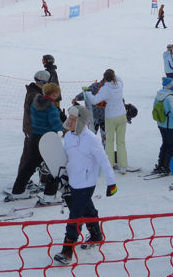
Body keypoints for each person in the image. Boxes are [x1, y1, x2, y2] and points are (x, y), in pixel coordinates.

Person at [52, 105, 117, 265]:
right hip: (74, 181)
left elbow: (104, 160)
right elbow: (68, 158)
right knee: (87, 209)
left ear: (81, 121)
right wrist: (61, 174)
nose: (71, 122)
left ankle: (67, 251)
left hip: (87, 183)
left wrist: (111, 182)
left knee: (75, 216)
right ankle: (96, 235)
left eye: (74, 120)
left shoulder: (91, 139)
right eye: (70, 119)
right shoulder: (68, 137)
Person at [8, 82, 63, 200]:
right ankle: (50, 195)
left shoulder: (36, 103)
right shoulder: (51, 106)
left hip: (35, 137)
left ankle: (17, 191)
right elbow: (56, 125)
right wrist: (64, 126)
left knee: (30, 165)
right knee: (55, 165)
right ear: (54, 93)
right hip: (47, 139)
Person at [13, 71, 51, 190]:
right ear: (42, 82)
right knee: (34, 156)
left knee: (37, 155)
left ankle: (38, 180)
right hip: (35, 130)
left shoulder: (35, 92)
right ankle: (23, 182)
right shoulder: (35, 95)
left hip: (33, 129)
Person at [88, 69, 128, 171]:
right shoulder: (119, 85)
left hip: (111, 117)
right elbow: (120, 79)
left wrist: (88, 93)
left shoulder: (105, 89)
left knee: (109, 141)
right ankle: (123, 166)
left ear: (104, 78)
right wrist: (113, 75)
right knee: (121, 142)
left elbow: (94, 100)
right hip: (122, 116)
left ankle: (109, 164)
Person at [151, 77, 173, 175]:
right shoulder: (171, 97)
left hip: (161, 124)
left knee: (165, 143)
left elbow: (154, 108)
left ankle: (161, 163)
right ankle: (167, 166)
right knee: (171, 145)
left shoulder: (159, 95)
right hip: (171, 125)